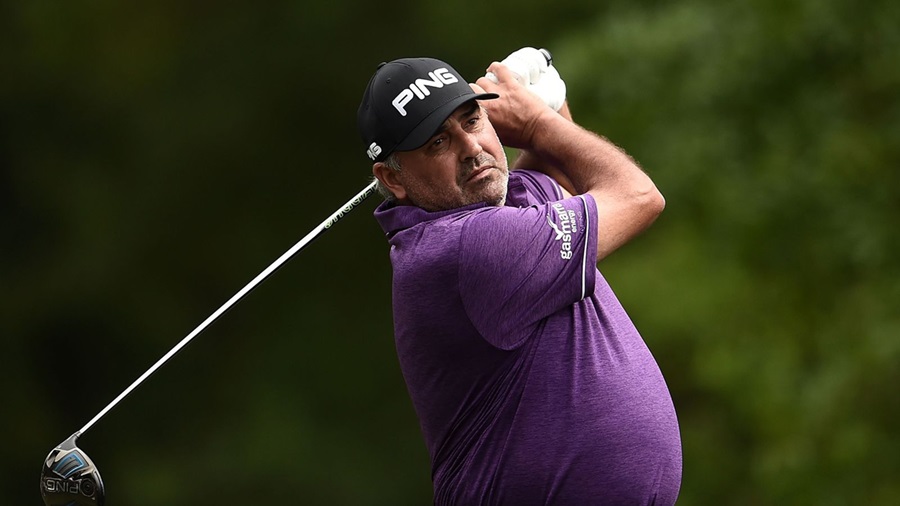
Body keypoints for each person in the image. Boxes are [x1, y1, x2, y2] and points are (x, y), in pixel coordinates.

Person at [357, 54, 682, 505]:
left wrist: (544, 98)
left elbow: (565, 170)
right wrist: (532, 125)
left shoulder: (502, 209)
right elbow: (638, 196)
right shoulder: (466, 248)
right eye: (437, 143)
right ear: (393, 178)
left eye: (473, 121)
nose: (471, 148)